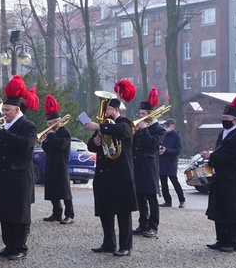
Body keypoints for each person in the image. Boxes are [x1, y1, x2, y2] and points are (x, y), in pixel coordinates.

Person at [0, 75, 37, 261]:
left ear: (17, 109)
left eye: (7, 110)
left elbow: (24, 144)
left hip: (18, 175)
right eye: (3, 109)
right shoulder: (4, 125)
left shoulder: (27, 125)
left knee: (18, 213)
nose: (4, 113)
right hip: (2, 174)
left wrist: (2, 133)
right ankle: (8, 245)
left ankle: (20, 247)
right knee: (5, 211)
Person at [84, 80, 138, 257]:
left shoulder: (125, 122)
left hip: (120, 173)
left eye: (107, 110)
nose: (104, 113)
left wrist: (99, 126)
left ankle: (126, 245)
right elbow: (90, 144)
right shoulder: (103, 125)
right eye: (104, 110)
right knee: (105, 209)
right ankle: (109, 243)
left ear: (115, 110)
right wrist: (95, 141)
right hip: (104, 172)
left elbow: (123, 131)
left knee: (123, 211)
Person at [201, 94, 236, 252]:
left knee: (231, 210)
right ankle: (221, 239)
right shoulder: (222, 134)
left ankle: (233, 241)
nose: (224, 120)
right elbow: (219, 153)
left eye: (226, 117)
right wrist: (209, 159)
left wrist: (213, 156)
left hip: (231, 179)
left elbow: (235, 159)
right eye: (223, 117)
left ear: (235, 120)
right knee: (219, 208)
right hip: (219, 177)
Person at [132, 89, 166, 238]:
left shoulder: (159, 129)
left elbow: (150, 143)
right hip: (137, 166)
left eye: (143, 114)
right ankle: (143, 224)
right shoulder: (138, 128)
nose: (140, 117)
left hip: (149, 166)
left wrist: (144, 129)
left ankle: (153, 226)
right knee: (139, 197)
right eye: (140, 114)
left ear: (151, 115)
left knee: (151, 197)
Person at [40, 94, 75, 225]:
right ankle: (56, 213)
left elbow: (61, 145)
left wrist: (51, 136)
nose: (49, 126)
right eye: (48, 124)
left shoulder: (65, 132)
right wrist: (45, 140)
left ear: (57, 122)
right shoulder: (51, 133)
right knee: (53, 190)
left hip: (61, 164)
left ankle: (69, 214)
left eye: (51, 123)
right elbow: (46, 148)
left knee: (65, 191)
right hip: (51, 164)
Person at [159, 118, 186, 208]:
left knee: (175, 182)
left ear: (173, 126)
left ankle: (182, 200)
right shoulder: (163, 135)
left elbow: (178, 150)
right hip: (162, 162)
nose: (166, 126)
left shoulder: (177, 137)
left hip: (171, 163)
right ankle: (167, 201)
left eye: (168, 125)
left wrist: (167, 151)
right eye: (165, 125)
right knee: (163, 184)